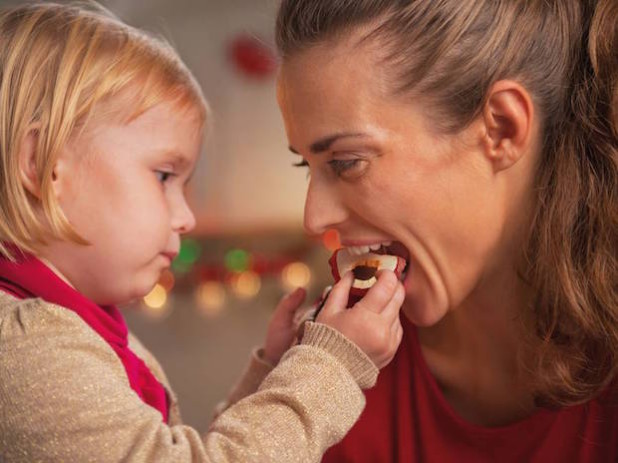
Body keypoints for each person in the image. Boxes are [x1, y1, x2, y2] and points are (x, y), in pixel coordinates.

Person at [0, 3, 406, 462]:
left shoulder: (76, 325)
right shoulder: (28, 347)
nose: (186, 218)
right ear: (41, 166)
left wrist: (276, 370)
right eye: (163, 176)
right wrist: (333, 365)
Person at [275, 0, 618, 461]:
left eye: (346, 162)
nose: (313, 218)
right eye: (308, 165)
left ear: (501, 128)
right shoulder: (330, 385)